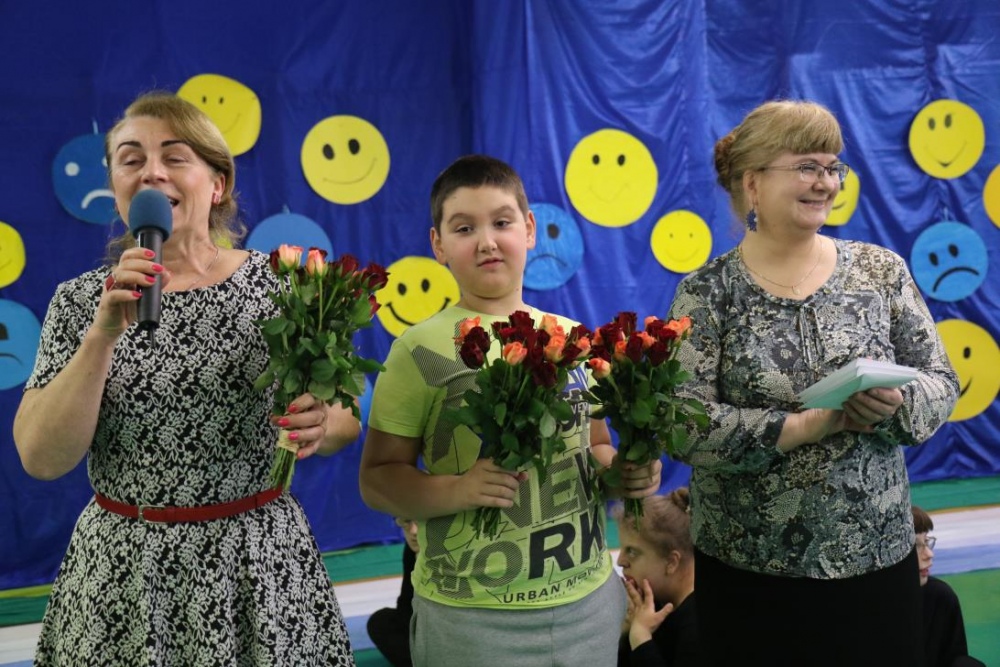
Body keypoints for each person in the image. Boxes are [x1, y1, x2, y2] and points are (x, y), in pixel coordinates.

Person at [13, 91, 360, 665]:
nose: (151, 172)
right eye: (131, 159)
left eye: (174, 157)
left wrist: (324, 421)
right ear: (117, 187)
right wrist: (102, 335)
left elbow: (346, 411)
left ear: (217, 184)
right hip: (125, 574)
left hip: (258, 563)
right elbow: (42, 458)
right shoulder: (79, 303)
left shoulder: (283, 285)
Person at [666, 100, 959, 666]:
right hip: (749, 575)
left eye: (832, 167)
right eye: (806, 166)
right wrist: (800, 427)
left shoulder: (881, 271)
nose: (825, 182)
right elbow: (682, 424)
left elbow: (941, 381)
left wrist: (895, 404)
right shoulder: (706, 292)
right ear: (753, 183)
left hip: (876, 564)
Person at [358, 154, 662, 667]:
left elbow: (595, 448)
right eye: (464, 228)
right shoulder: (418, 350)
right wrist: (457, 489)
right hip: (470, 618)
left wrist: (622, 474)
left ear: (529, 230)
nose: (487, 241)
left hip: (588, 605)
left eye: (501, 222)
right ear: (438, 245)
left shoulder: (570, 338)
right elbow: (377, 480)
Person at [614, 488, 698, 667]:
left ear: (672, 562)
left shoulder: (699, 623)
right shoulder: (651, 603)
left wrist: (641, 637)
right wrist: (627, 632)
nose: (620, 562)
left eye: (632, 551)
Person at [912, 506, 986, 667]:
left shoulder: (940, 597)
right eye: (916, 546)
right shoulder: (866, 607)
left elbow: (954, 657)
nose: (929, 554)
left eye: (926, 542)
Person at [366, 517, 418, 667]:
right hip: (422, 626)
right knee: (380, 622)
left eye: (419, 522)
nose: (413, 531)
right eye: (406, 522)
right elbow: (405, 603)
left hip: (450, 628)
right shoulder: (411, 550)